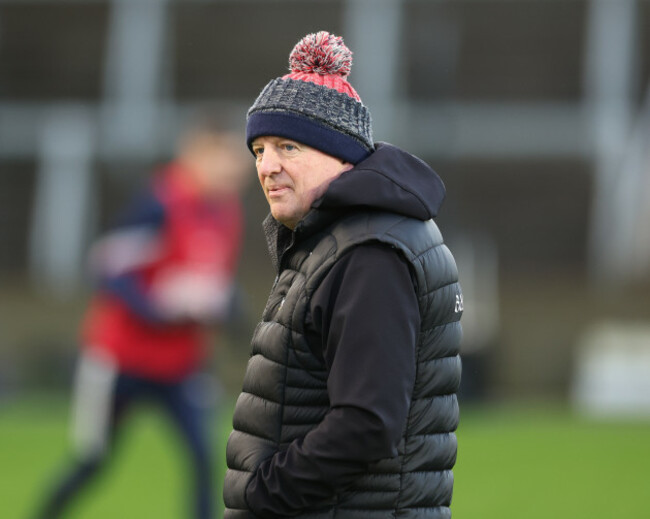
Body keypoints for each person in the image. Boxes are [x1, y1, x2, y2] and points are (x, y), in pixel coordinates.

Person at [223, 31, 463, 518]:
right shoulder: (341, 237)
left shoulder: (370, 254)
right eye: (259, 150)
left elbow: (367, 422)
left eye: (287, 147)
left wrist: (264, 492)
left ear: (342, 155)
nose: (267, 166)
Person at [35, 118, 250, 519]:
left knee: (207, 458)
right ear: (196, 154)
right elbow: (106, 267)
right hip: (120, 361)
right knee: (92, 460)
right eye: (225, 161)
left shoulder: (226, 211)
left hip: (180, 365)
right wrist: (155, 308)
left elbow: (214, 281)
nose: (235, 172)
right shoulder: (160, 203)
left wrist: (230, 309)